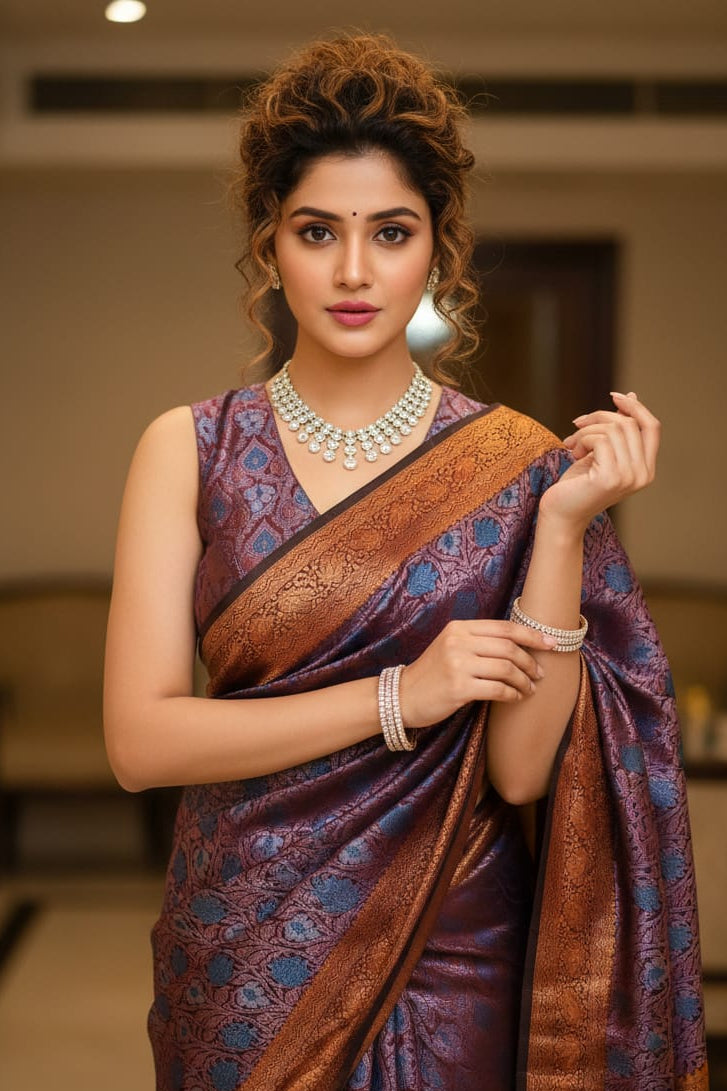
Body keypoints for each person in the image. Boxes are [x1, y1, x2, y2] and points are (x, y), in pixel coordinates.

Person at [103, 32, 708, 1091]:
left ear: (437, 250)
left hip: (454, 948)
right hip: (245, 949)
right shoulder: (189, 447)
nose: (351, 270)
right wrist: (403, 693)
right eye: (315, 231)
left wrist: (563, 526)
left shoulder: (516, 468)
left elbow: (521, 770)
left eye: (389, 232)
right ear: (268, 245)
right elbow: (141, 741)